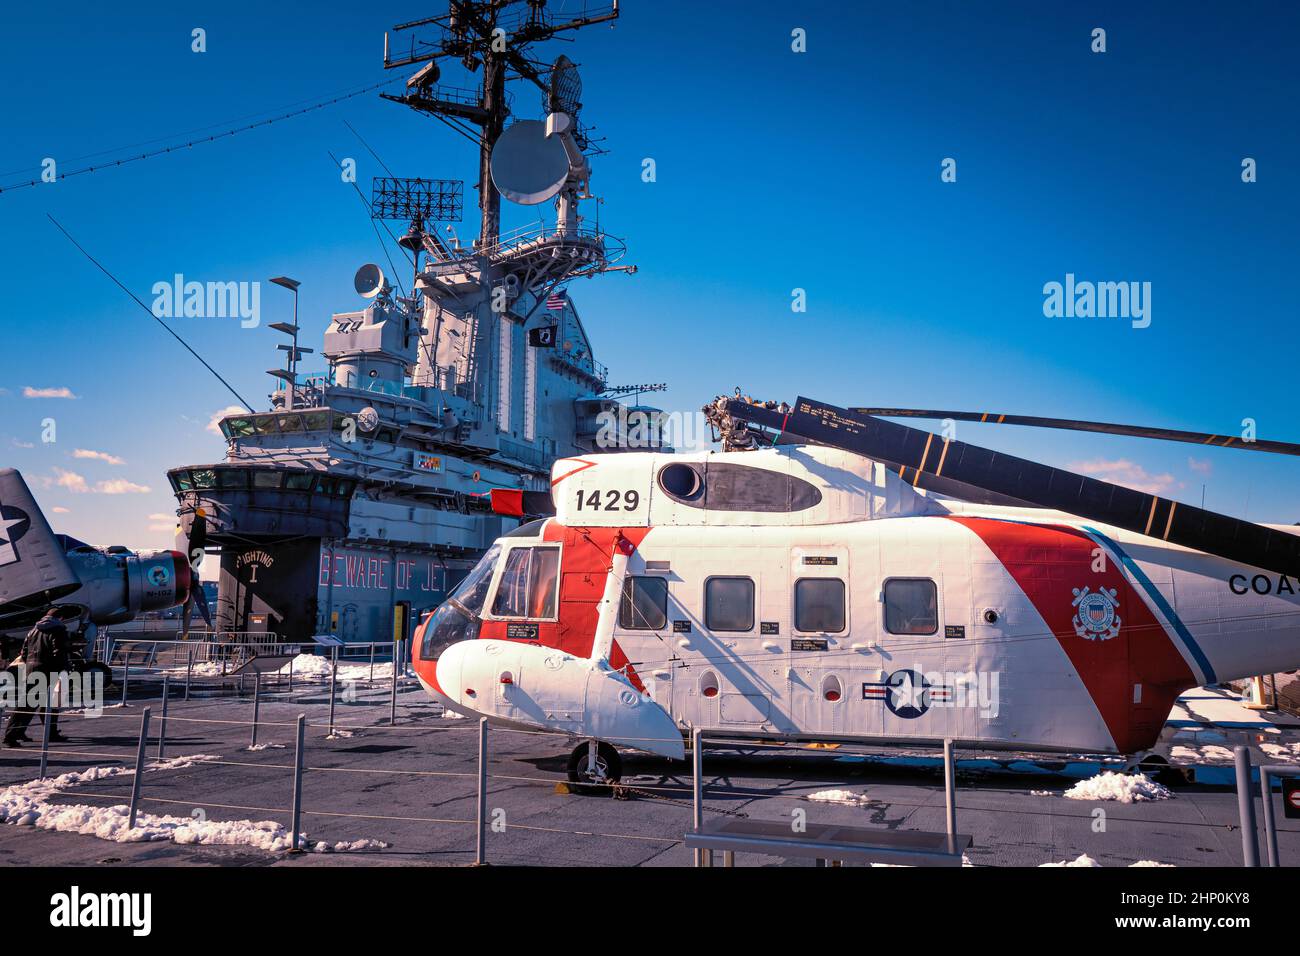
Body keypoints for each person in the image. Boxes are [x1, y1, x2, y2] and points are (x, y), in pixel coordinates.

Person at [3, 607, 71, 747]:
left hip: (31, 669)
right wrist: (63, 670)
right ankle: (11, 736)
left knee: (28, 704)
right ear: (60, 618)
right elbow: (59, 652)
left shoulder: (33, 630)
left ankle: (24, 732)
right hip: (49, 670)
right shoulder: (58, 630)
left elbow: (24, 652)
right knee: (45, 704)